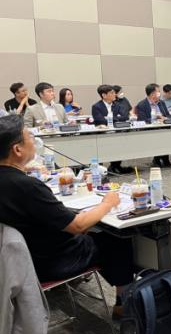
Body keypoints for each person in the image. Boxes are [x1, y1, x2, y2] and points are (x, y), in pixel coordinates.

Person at [0, 115, 134, 317]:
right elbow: (77, 226)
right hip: (51, 262)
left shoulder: (12, 180)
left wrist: (24, 167)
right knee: (117, 237)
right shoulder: (28, 187)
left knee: (92, 227)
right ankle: (124, 304)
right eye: (29, 137)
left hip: (18, 261)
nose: (34, 141)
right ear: (17, 149)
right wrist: (107, 203)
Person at [92, 84, 132, 175]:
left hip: (117, 133)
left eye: (114, 92)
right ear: (104, 95)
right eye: (112, 93)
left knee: (120, 143)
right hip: (102, 134)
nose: (115, 94)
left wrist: (109, 118)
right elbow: (100, 120)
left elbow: (125, 117)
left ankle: (115, 166)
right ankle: (100, 169)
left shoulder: (117, 105)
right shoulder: (96, 106)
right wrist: (116, 118)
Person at [136, 83, 171, 167]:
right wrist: (156, 119)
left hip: (163, 128)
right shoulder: (142, 104)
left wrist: (164, 118)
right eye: (158, 91)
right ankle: (157, 159)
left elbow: (168, 116)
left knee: (166, 135)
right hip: (150, 130)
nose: (160, 93)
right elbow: (142, 120)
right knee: (159, 136)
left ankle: (164, 158)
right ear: (152, 94)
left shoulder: (161, 103)